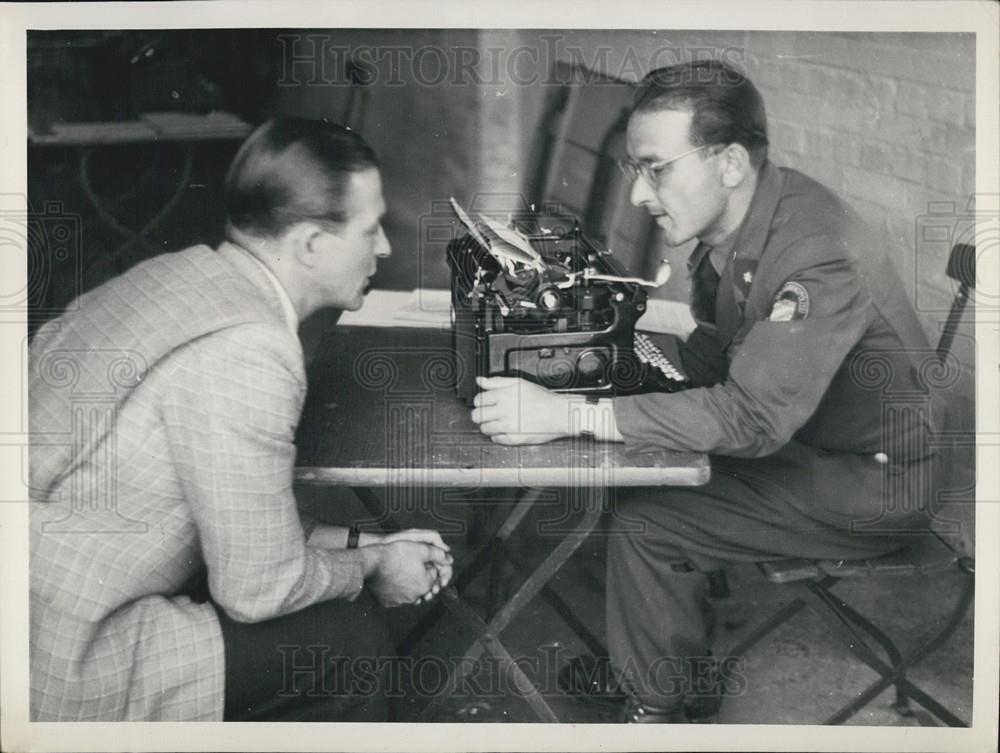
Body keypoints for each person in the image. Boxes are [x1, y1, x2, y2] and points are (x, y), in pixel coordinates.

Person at [471, 60, 943, 722]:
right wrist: (615, 373)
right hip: (814, 440)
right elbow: (718, 349)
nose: (638, 194)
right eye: (636, 168)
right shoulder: (754, 213)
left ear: (728, 163)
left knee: (649, 519)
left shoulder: (816, 255)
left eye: (655, 168)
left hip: (867, 481)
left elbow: (750, 419)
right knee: (636, 462)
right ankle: (665, 659)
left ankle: (660, 705)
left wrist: (571, 411)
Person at [29, 118, 453, 722]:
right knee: (349, 642)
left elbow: (228, 506)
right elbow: (258, 590)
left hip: (35, 605)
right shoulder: (252, 350)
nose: (384, 247)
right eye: (369, 228)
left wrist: (365, 541)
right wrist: (373, 567)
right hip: (66, 660)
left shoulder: (174, 275)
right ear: (309, 244)